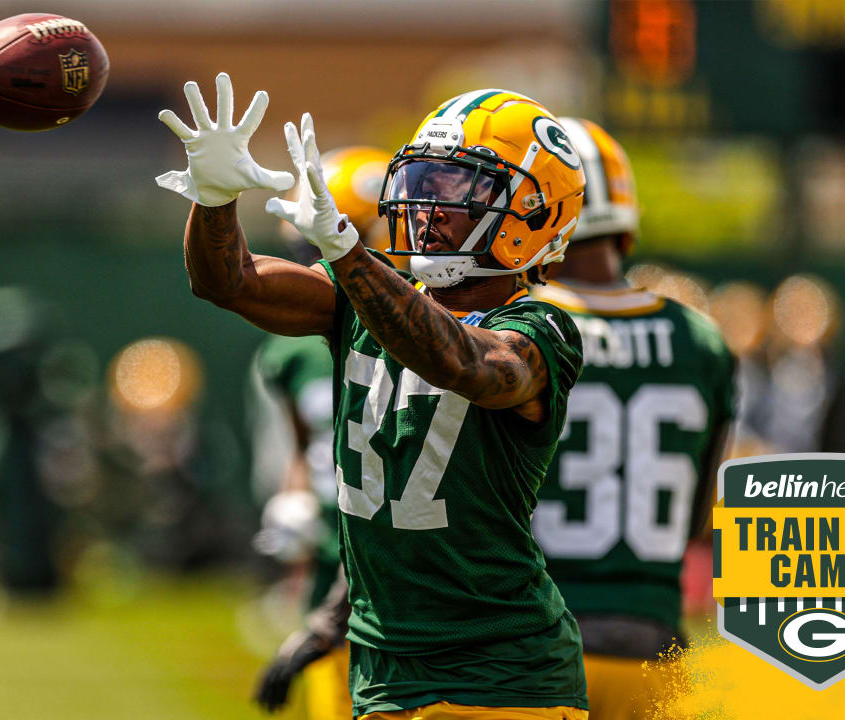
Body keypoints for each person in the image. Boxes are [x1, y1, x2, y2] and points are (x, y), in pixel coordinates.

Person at [157, 74, 588, 719]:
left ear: (535, 215)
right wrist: (216, 197)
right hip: (382, 666)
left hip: (500, 670)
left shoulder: (542, 329)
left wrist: (352, 255)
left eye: (458, 190)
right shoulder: (361, 294)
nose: (426, 207)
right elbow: (229, 281)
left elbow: (463, 362)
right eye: (424, 184)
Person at [530, 118, 737, 720]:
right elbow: (697, 514)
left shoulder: (520, 328)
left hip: (538, 642)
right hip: (656, 644)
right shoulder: (701, 338)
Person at [249, 146, 391, 719]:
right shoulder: (285, 350)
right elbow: (304, 442)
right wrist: (293, 495)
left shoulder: (427, 326)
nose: (311, 262)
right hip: (337, 554)